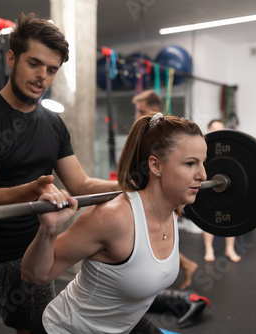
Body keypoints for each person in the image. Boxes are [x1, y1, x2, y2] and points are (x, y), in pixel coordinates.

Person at [0, 13, 118, 334]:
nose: (42, 76)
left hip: (33, 254)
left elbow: (80, 184)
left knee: (37, 328)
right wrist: (33, 190)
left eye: (52, 69)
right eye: (34, 63)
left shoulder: (53, 123)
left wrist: (131, 186)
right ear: (12, 58)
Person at [22, 112, 207, 333]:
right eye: (190, 164)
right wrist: (49, 229)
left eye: (202, 163)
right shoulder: (113, 218)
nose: (203, 175)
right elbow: (33, 275)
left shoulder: (172, 211)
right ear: (156, 166)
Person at [132, 89, 198, 290]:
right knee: (151, 239)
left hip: (164, 197)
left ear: (153, 109)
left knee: (152, 239)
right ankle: (184, 265)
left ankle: (179, 267)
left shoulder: (166, 138)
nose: (137, 115)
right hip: (148, 197)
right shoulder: (147, 135)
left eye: (141, 110)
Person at [202, 119, 241, 262]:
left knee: (231, 218)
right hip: (209, 186)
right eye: (215, 129)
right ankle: (209, 249)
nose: (218, 132)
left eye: (221, 129)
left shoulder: (229, 147)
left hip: (227, 188)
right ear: (208, 130)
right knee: (208, 218)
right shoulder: (202, 147)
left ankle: (229, 249)